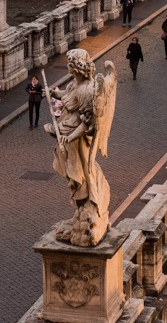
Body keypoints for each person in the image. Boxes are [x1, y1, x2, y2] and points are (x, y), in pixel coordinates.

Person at [44, 49, 117, 247]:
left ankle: (88, 210)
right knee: (72, 174)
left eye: (69, 62)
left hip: (75, 141)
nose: (67, 65)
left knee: (79, 173)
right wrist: (53, 93)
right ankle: (80, 212)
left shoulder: (88, 90)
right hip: (67, 137)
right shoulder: (75, 85)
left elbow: (87, 123)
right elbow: (68, 97)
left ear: (75, 66)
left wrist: (69, 136)